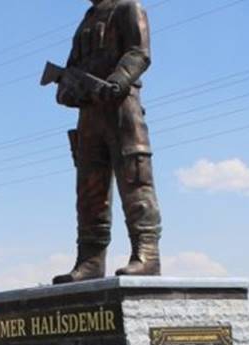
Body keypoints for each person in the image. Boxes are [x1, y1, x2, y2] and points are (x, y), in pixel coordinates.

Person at [52, 0, 162, 283]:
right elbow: (70, 70)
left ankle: (146, 254)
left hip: (123, 108)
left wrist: (118, 80)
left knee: (135, 179)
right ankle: (89, 261)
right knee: (90, 190)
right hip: (89, 115)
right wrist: (70, 91)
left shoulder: (128, 8)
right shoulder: (86, 20)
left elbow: (139, 52)